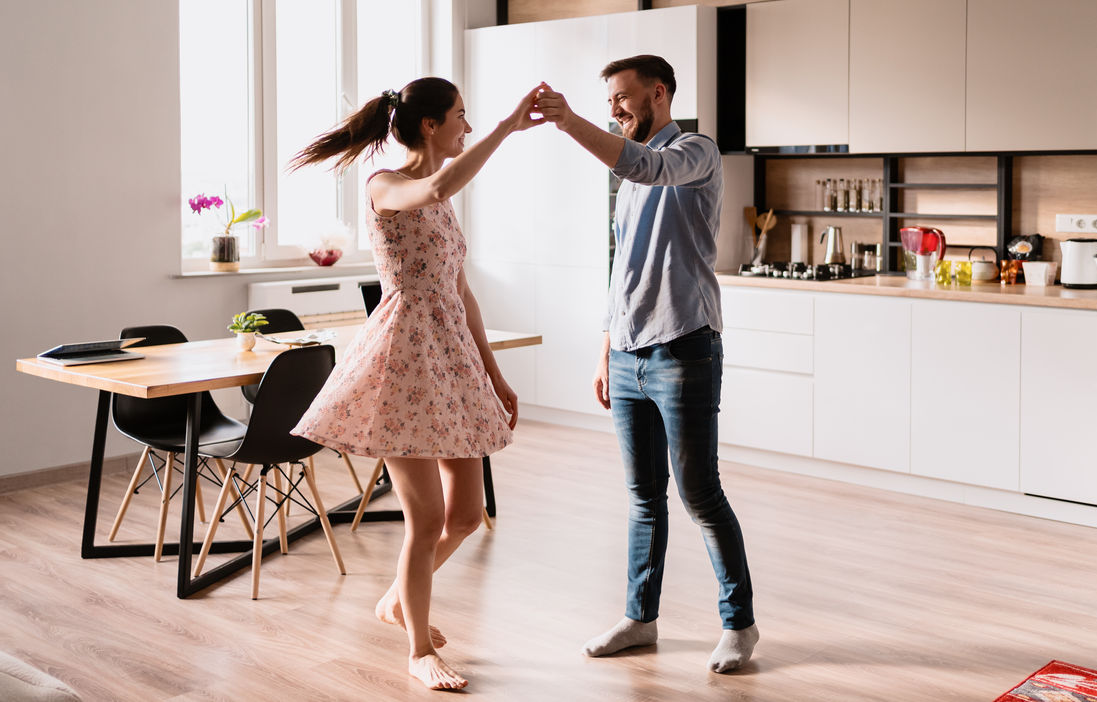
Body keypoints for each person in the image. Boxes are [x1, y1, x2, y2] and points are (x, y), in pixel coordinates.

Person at [288, 77, 544, 690]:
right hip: (401, 366)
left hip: (450, 362)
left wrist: (494, 373)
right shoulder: (387, 186)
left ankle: (399, 599)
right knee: (426, 520)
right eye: (461, 115)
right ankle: (416, 650)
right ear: (430, 125)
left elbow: (460, 292)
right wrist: (510, 126)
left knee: (466, 513)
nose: (469, 125)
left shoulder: (440, 198)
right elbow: (435, 185)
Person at [536, 55, 759, 673]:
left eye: (622, 97)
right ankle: (640, 618)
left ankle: (739, 624)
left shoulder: (695, 152)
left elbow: (649, 166)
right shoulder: (626, 171)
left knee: (699, 494)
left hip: (684, 346)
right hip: (630, 353)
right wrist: (607, 348)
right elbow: (624, 267)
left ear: (659, 93)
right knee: (642, 498)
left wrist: (571, 122)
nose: (615, 108)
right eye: (607, 100)